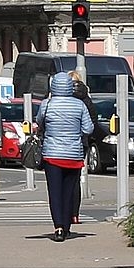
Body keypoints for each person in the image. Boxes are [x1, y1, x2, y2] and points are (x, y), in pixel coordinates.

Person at [35, 72, 95, 242]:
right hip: (73, 155)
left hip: (52, 155)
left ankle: (59, 227)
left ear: (53, 86)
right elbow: (88, 129)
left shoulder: (47, 104)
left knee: (55, 192)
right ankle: (68, 227)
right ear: (70, 86)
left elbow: (39, 122)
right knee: (69, 192)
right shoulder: (79, 105)